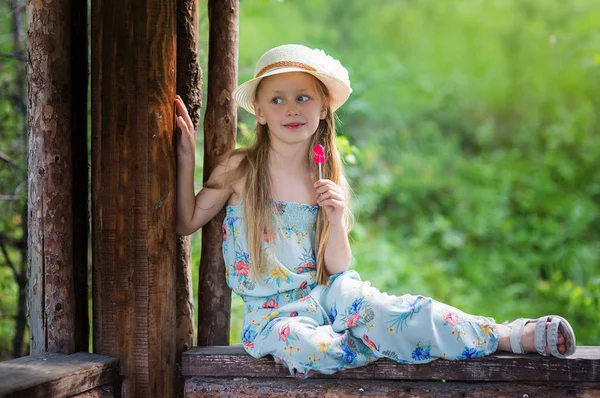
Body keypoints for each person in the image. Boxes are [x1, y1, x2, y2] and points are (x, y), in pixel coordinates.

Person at [174, 44, 576, 378]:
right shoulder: (241, 168)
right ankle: (390, 340)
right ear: (260, 112)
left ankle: (506, 335)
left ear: (323, 108)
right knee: (312, 349)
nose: (291, 109)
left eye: (303, 98)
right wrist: (187, 160)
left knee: (395, 311)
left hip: (327, 295)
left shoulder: (323, 171)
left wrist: (334, 217)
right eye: (277, 100)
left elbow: (338, 266)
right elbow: (186, 220)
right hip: (273, 316)